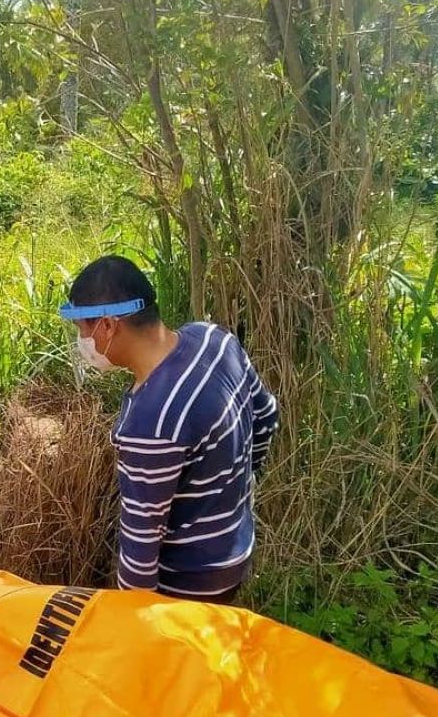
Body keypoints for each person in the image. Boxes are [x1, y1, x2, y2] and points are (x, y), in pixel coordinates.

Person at [60, 255, 278, 603]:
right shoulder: (214, 339)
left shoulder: (149, 423)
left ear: (107, 326)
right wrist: (236, 488)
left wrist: (135, 619)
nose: (81, 342)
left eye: (82, 330)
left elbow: (141, 548)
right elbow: (267, 414)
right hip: (238, 546)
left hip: (192, 581)